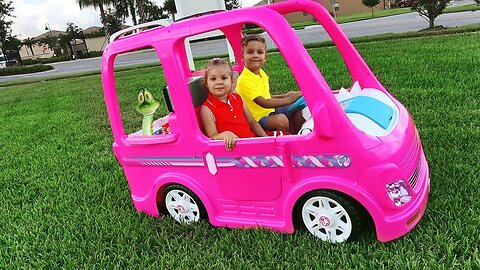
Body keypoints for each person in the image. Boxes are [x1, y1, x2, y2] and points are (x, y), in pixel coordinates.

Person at [237, 34, 304, 134]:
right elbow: (264, 102)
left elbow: (267, 96)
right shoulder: (244, 80)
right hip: (257, 119)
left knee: (298, 104)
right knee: (281, 120)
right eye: (250, 52)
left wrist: (286, 96)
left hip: (270, 111)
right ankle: (285, 143)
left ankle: (299, 136)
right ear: (242, 57)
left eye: (259, 52)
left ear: (265, 57)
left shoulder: (261, 73)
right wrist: (290, 98)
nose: (255, 55)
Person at [201, 58, 267, 151]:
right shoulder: (207, 108)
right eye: (213, 79)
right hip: (236, 153)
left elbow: (252, 122)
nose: (219, 82)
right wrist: (225, 134)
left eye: (224, 78)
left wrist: (265, 138)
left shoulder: (238, 98)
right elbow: (212, 136)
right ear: (206, 83)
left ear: (232, 81)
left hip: (253, 143)